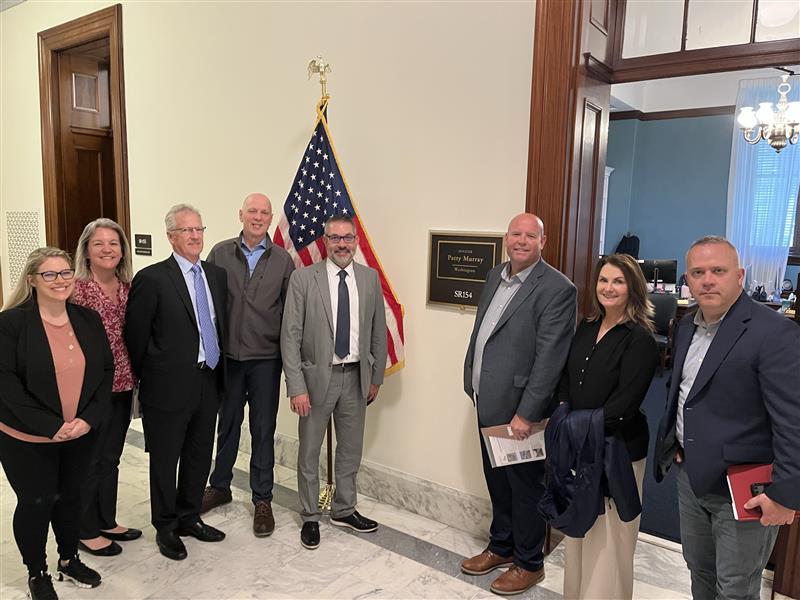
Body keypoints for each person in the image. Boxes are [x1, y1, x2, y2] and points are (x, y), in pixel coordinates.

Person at [654, 236, 800, 600]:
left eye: (718, 271)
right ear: (687, 279)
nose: (707, 280)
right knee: (699, 572)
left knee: (735, 588)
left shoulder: (774, 332)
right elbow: (684, 393)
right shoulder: (687, 324)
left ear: (739, 275)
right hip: (691, 478)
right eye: (698, 273)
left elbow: (792, 421)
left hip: (743, 489)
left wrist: (785, 494)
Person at [461, 213, 576, 596]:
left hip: (518, 411)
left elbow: (550, 359)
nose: (522, 241)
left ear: (543, 242)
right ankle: (501, 546)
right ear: (506, 237)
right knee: (498, 482)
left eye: (531, 235)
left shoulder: (558, 288)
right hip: (486, 401)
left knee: (526, 487)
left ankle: (529, 562)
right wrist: (470, 378)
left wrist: (527, 412)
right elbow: (484, 331)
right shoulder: (496, 275)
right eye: (516, 233)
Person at [0, 247, 113, 600]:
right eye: (49, 274)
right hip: (26, 437)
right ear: (32, 280)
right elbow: (6, 385)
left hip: (79, 433)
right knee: (37, 501)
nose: (60, 280)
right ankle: (38, 572)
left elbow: (105, 372)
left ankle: (69, 558)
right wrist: (52, 425)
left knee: (70, 499)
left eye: (65, 273)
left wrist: (87, 420)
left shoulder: (87, 319)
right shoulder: (10, 324)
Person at [125, 204, 228, 561]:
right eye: (187, 231)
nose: (195, 236)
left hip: (208, 379)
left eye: (199, 229)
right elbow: (136, 338)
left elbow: (220, 326)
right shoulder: (152, 278)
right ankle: (166, 527)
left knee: (200, 454)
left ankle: (189, 517)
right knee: (166, 461)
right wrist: (151, 378)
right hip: (166, 388)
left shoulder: (216, 276)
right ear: (171, 236)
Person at [280, 214, 387, 550]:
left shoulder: (369, 279)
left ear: (356, 241)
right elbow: (290, 335)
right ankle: (310, 515)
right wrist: (296, 386)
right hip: (315, 380)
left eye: (348, 238)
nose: (342, 244)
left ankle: (344, 508)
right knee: (310, 452)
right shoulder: (303, 278)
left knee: (350, 450)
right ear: (324, 242)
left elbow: (378, 332)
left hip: (356, 378)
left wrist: (376, 377)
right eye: (335, 238)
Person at [557, 253, 659, 600]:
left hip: (618, 452)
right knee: (579, 534)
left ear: (633, 287)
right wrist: (562, 413)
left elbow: (623, 406)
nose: (609, 288)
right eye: (603, 280)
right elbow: (567, 380)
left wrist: (573, 426)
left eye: (618, 281)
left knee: (610, 544)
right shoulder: (586, 327)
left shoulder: (640, 338)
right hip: (580, 446)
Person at [201, 193, 295, 536]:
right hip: (228, 359)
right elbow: (207, 305)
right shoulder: (220, 253)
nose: (257, 217)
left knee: (262, 429)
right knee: (226, 425)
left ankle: (262, 498)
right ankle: (220, 486)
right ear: (240, 214)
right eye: (252, 211)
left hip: (266, 361)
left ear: (270, 219)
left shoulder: (283, 260)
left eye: (264, 213)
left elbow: (289, 316)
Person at [71, 218, 141, 557]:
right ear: (86, 250)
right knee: (90, 458)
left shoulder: (129, 287)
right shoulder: (75, 290)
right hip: (89, 388)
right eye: (99, 243)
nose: (107, 249)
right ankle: (84, 530)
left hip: (124, 383)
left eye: (113, 243)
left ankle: (105, 519)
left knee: (111, 457)